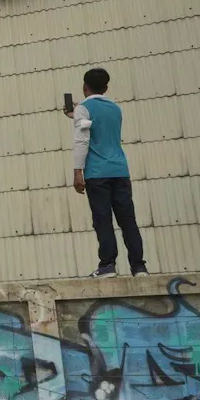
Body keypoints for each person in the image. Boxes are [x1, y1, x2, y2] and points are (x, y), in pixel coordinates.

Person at [67, 67, 147, 278]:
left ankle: (107, 265)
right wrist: (76, 115)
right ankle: (139, 267)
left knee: (103, 220)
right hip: (120, 170)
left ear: (84, 86)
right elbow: (101, 128)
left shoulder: (84, 108)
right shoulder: (115, 108)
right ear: (106, 87)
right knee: (127, 220)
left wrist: (77, 171)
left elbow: (82, 140)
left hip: (97, 173)